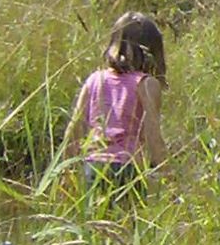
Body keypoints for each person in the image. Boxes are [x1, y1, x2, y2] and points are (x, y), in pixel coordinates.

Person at [60, 12, 168, 187]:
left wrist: (66, 172)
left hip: (93, 167)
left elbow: (74, 129)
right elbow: (152, 135)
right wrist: (167, 174)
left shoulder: (95, 80)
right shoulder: (146, 84)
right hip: (128, 169)